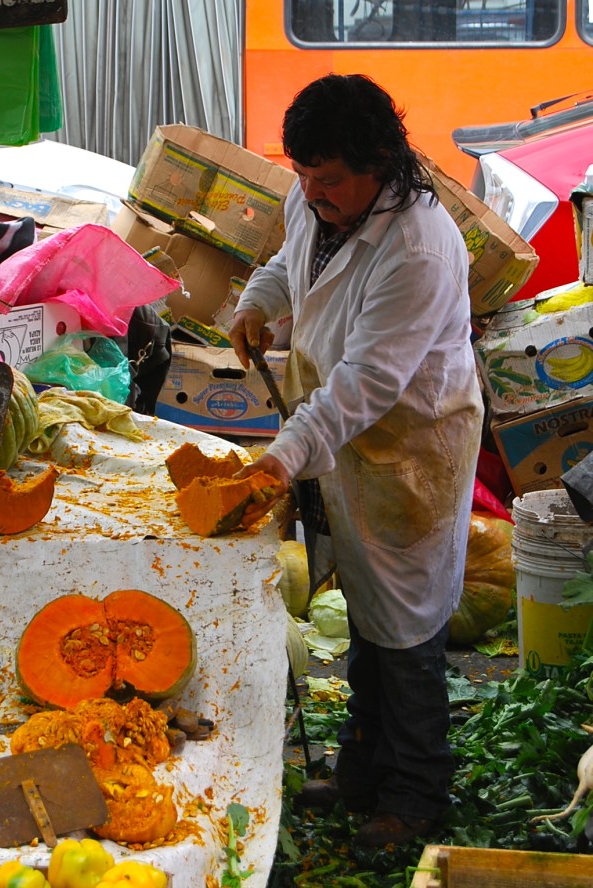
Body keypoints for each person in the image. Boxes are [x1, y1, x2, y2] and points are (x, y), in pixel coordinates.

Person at [228, 73, 484, 848]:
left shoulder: (418, 248)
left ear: (379, 162)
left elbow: (365, 383)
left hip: (409, 447)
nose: (312, 193)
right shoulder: (316, 198)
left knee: (405, 630)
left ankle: (415, 796)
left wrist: (283, 457)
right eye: (303, 175)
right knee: (367, 615)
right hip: (343, 439)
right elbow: (291, 263)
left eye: (330, 180)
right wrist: (257, 302)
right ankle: (361, 774)